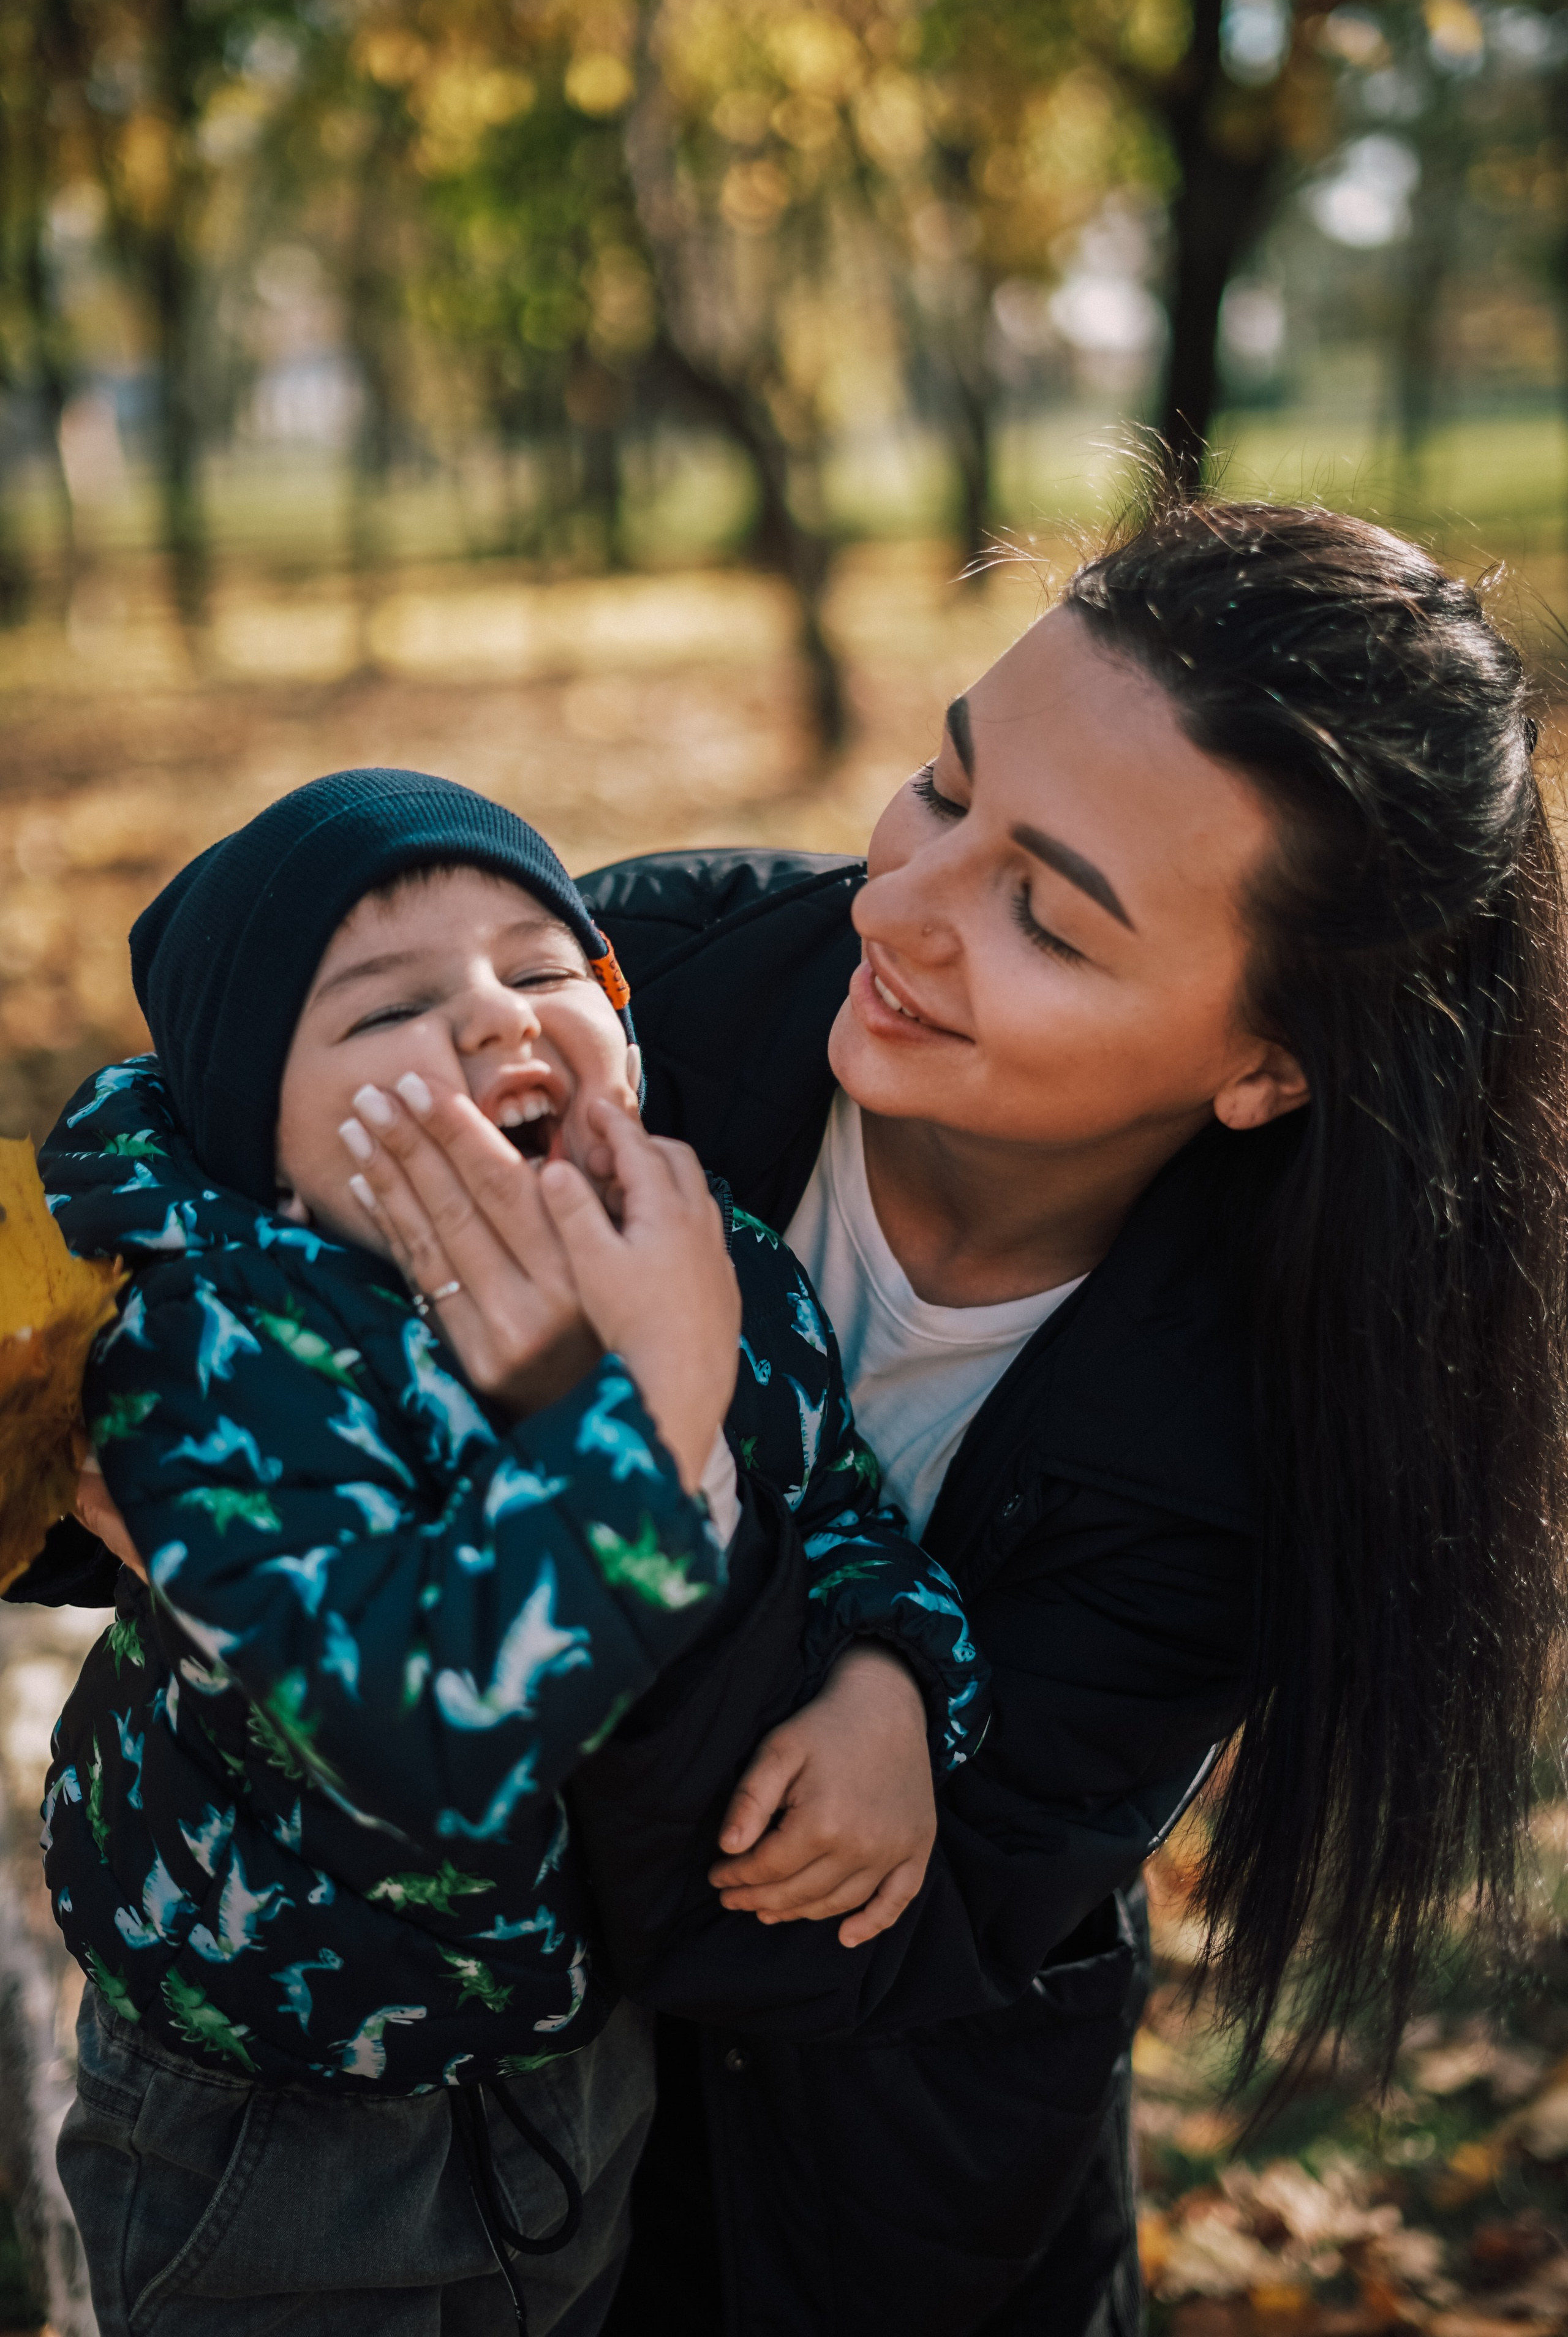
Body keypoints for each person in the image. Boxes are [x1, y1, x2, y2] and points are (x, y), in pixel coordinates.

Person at [564, 495, 1566, 2332]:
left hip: (895, 2232)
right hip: (452, 2182)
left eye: (1045, 915)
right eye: (945, 793)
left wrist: (722, 1508)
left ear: (1272, 1063)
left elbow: (839, 1946)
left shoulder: (1260, 1447)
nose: (903, 906)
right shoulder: (627, 1011)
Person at [24, 769, 980, 2337]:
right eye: (387, 1009)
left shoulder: (687, 1244)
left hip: (572, 2052)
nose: (494, 1022)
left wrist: (890, 1676)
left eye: (545, 970)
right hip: (285, 2113)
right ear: (252, 1126)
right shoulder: (215, 1351)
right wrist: (656, 1411)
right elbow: (421, 1734)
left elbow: (832, 1507)